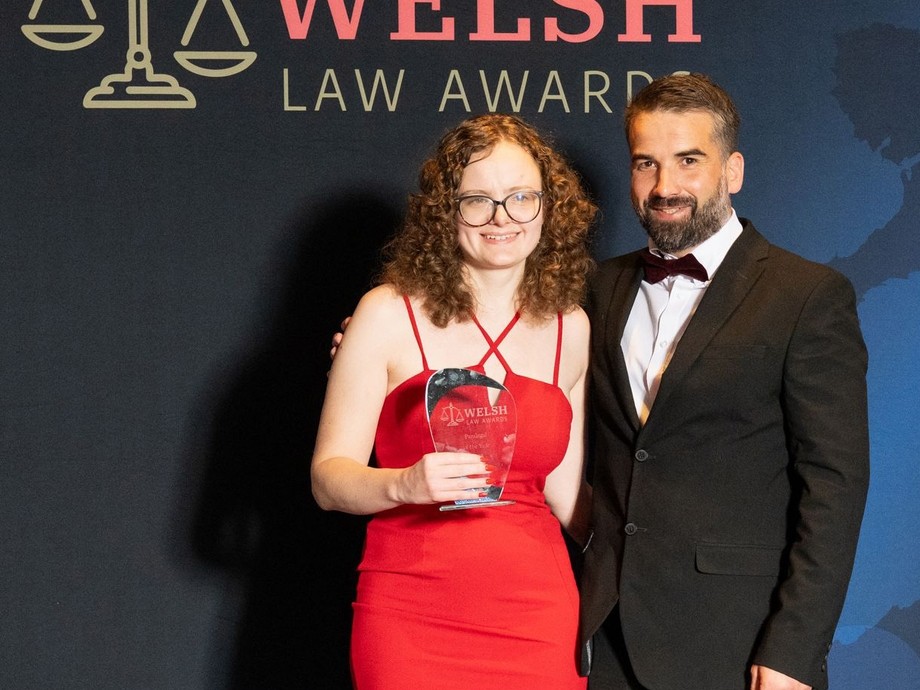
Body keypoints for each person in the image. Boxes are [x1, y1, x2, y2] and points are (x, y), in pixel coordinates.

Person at [579, 73, 870, 690]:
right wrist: (366, 341)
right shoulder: (594, 289)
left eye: (689, 160)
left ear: (732, 170)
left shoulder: (808, 296)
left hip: (737, 644)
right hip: (602, 638)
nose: (664, 187)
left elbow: (835, 488)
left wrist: (794, 648)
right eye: (645, 163)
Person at [311, 113, 598, 688]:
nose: (502, 218)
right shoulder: (387, 313)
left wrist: (668, 555)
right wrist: (403, 484)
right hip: (409, 614)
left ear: (548, 207)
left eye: (522, 197)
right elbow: (327, 480)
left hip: (538, 616)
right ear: (447, 210)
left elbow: (566, 496)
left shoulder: (572, 327)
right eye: (477, 200)